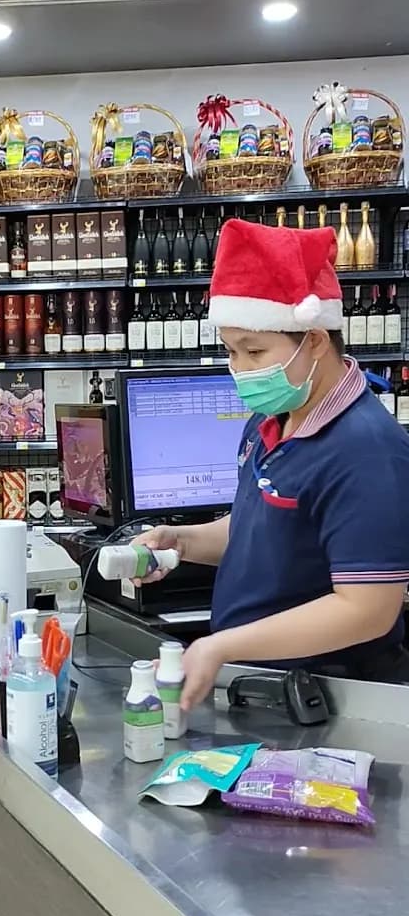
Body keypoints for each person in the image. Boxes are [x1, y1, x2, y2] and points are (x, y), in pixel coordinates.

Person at [135, 219, 409, 710]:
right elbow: (258, 527)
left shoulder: (366, 450)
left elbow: (368, 610)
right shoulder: (270, 420)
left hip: (330, 700)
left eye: (255, 350)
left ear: (316, 341)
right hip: (261, 689)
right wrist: (182, 541)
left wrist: (221, 647)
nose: (239, 368)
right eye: (231, 351)